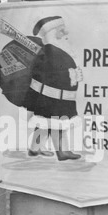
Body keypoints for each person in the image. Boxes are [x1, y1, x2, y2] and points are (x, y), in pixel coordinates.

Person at [23, 16, 83, 161]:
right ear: (52, 32)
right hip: (52, 97)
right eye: (61, 31)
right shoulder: (50, 53)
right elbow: (39, 77)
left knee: (45, 124)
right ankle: (62, 151)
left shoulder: (57, 51)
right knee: (57, 123)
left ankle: (35, 148)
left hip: (59, 96)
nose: (65, 33)